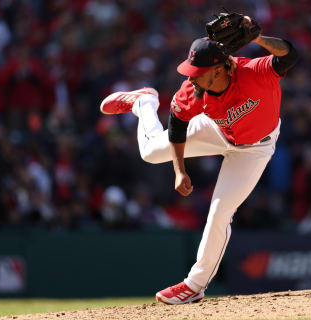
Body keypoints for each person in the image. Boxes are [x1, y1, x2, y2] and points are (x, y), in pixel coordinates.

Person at [100, 16, 298, 304]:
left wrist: (257, 38)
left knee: (220, 212)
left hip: (255, 148)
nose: (191, 76)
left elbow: (290, 55)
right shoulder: (193, 92)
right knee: (150, 152)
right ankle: (144, 103)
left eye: (197, 71)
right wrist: (179, 171)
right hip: (215, 130)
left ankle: (195, 285)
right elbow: (177, 125)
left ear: (219, 69)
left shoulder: (254, 71)